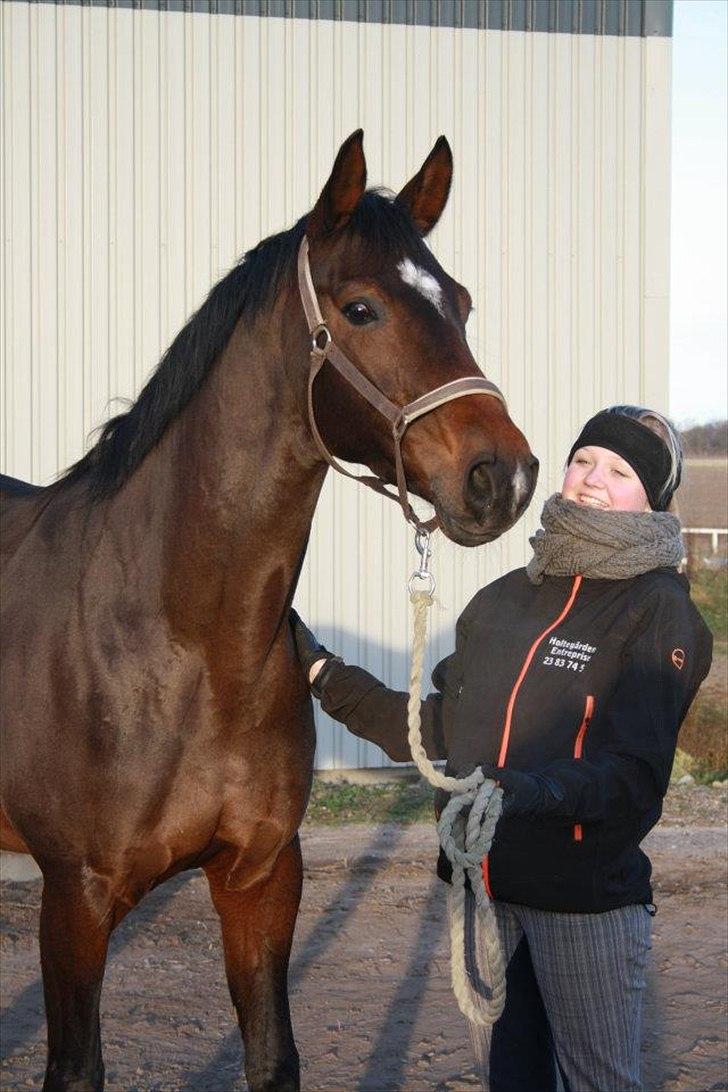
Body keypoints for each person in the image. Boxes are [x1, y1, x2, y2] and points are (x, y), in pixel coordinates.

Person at [290, 404, 713, 1092]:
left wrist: (530, 793)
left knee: (598, 1082)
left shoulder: (659, 610)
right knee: (508, 1079)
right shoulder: (502, 600)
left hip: (582, 900)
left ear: (653, 497)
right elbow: (436, 732)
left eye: (619, 469)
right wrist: (319, 672)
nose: (591, 479)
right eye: (584, 460)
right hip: (482, 887)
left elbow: (632, 775)